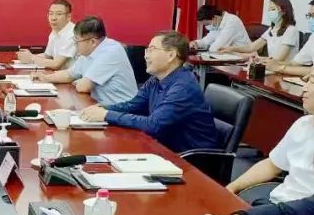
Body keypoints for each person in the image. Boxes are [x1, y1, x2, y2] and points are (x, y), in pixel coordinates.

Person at [228, 52, 314, 205]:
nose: (304, 88)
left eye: (312, 81)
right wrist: (231, 188)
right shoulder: (303, 123)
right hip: (276, 203)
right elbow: (272, 164)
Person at [80, 31, 217, 152]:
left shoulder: (183, 87)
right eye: (147, 50)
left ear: (171, 55)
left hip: (191, 161)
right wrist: (102, 109)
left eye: (152, 50)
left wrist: (107, 115)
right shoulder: (155, 80)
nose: (146, 56)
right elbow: (132, 106)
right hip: (162, 148)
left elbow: (153, 125)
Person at [38, 16, 136, 105]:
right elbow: (69, 75)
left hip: (122, 109)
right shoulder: (88, 52)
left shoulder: (111, 51)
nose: (75, 45)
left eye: (77, 41)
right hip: (99, 105)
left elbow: (83, 87)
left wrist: (78, 81)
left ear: (92, 41)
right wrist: (45, 78)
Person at [217, 0, 298, 62]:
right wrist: (231, 48)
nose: (270, 12)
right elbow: (251, 47)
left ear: (284, 11)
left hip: (284, 70)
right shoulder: (271, 29)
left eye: (273, 9)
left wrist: (259, 59)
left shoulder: (291, 30)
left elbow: (279, 59)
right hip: (271, 67)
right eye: (269, 10)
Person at [16, 0, 76, 70]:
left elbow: (56, 64)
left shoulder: (72, 34)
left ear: (68, 17)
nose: (53, 18)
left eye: (59, 14)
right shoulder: (55, 31)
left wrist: (31, 58)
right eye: (51, 14)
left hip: (72, 76)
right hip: (58, 73)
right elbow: (48, 56)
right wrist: (27, 56)